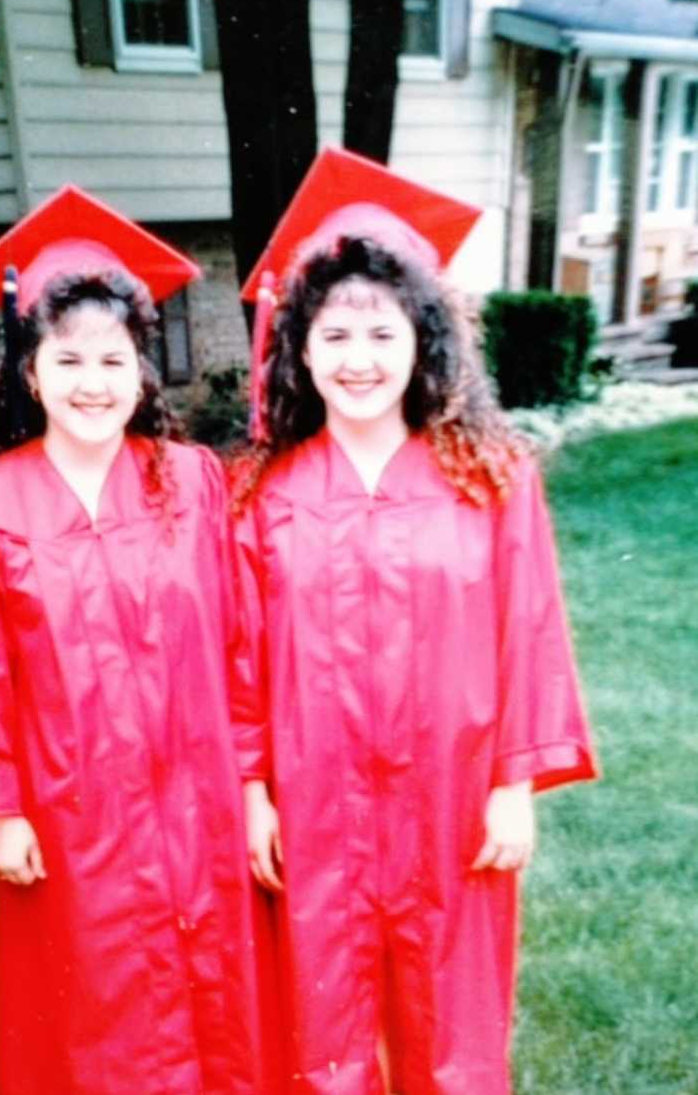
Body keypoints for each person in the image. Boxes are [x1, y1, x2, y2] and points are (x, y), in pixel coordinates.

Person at [229, 149, 599, 1095]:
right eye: (335, 335)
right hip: (314, 796)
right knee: (322, 1015)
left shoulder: (489, 478)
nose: (358, 359)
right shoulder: (264, 495)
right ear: (299, 348)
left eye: (382, 333)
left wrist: (516, 782)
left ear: (423, 342)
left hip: (454, 787)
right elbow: (238, 655)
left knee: (453, 1020)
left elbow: (532, 636)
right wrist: (252, 789)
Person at [0, 185, 267, 1094]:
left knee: (216, 997)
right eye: (68, 360)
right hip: (70, 809)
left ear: (143, 368)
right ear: (28, 373)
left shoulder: (192, 482)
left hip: (201, 798)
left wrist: (255, 782)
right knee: (95, 1005)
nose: (93, 382)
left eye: (114, 357)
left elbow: (240, 646)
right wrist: (1, 807)